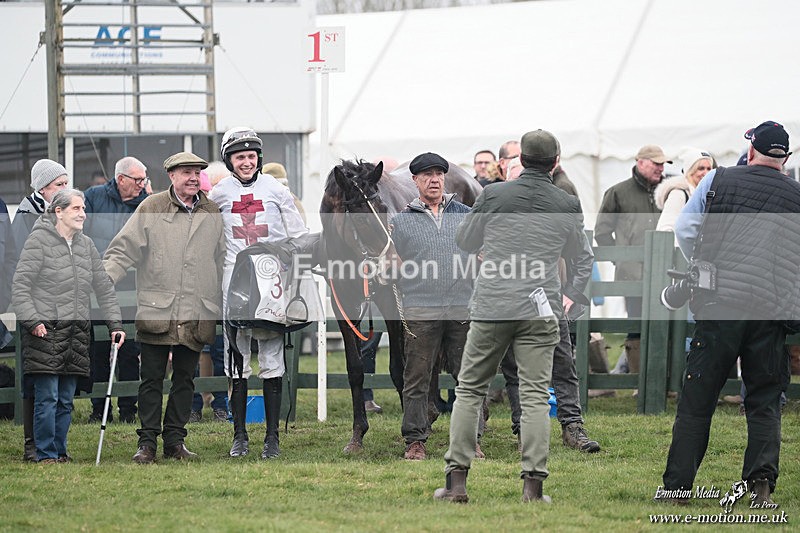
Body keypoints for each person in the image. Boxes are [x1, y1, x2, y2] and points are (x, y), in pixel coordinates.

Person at [434, 130, 590, 503]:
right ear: (555, 162)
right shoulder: (566, 203)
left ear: (520, 159)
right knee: (536, 394)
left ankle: (457, 484)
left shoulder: (494, 194)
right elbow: (577, 252)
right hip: (541, 305)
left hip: (493, 304)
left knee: (470, 390)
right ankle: (533, 488)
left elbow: (466, 241)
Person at [661, 121, 799, 506]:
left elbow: (686, 230)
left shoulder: (717, 179)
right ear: (784, 158)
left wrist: (705, 265)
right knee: (765, 401)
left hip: (720, 303)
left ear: (751, 150)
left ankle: (676, 490)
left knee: (698, 399)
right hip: (771, 309)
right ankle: (761, 490)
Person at [104, 151, 225, 464]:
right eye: (186, 172)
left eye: (197, 173)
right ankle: (147, 443)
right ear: (171, 176)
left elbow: (221, 260)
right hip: (159, 310)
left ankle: (175, 441)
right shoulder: (152, 206)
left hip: (197, 312)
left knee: (185, 379)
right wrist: (103, 280)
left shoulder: (212, 211)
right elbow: (123, 249)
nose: (193, 178)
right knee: (152, 379)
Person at [210, 128, 307, 459]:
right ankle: (239, 435)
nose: (247, 162)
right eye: (240, 157)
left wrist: (290, 270)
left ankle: (271, 437)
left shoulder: (276, 190)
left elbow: (298, 234)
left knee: (271, 354)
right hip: (234, 281)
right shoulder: (220, 193)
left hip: (270, 280)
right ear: (230, 161)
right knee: (237, 359)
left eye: (251, 156)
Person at [12, 188, 125, 463]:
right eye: (76, 209)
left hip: (75, 334)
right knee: (47, 397)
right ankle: (44, 453)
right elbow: (20, 286)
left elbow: (104, 289)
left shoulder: (86, 245)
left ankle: (60, 452)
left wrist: (115, 325)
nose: (83, 214)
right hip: (45, 333)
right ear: (58, 211)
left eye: (83, 208)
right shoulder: (38, 240)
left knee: (65, 400)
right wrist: (33, 321)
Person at [390, 152, 475, 461]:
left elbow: (482, 252)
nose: (434, 179)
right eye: (427, 175)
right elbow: (390, 264)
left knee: (468, 376)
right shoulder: (399, 222)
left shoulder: (465, 214)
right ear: (415, 181)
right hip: (420, 309)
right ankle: (415, 440)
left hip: (461, 307)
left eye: (439, 174)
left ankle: (470, 439)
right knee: (416, 378)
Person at [83, 156, 149, 424]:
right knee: (99, 348)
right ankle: (100, 408)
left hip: (132, 288)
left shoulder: (146, 203)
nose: (142, 185)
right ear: (121, 179)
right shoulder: (93, 198)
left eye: (144, 180)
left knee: (131, 349)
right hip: (97, 288)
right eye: (138, 180)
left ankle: (129, 409)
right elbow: (80, 233)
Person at [11, 159, 69, 462]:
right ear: (43, 187)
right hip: (37, 305)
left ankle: (54, 443)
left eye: (65, 183)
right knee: (36, 375)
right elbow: (23, 264)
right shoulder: (26, 216)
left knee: (56, 373)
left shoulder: (58, 213)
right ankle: (32, 443)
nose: (64, 189)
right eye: (59, 184)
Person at [594, 144, 670, 374]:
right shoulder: (617, 192)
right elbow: (601, 232)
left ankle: (664, 379)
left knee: (668, 325)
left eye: (662, 163)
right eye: (656, 163)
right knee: (636, 324)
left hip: (667, 272)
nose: (661, 167)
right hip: (632, 275)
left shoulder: (670, 191)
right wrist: (621, 259)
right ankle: (639, 381)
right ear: (640, 162)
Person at [655, 149, 713, 234]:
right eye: (701, 168)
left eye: (709, 169)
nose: (706, 173)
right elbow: (665, 228)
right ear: (690, 171)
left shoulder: (707, 196)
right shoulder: (678, 194)